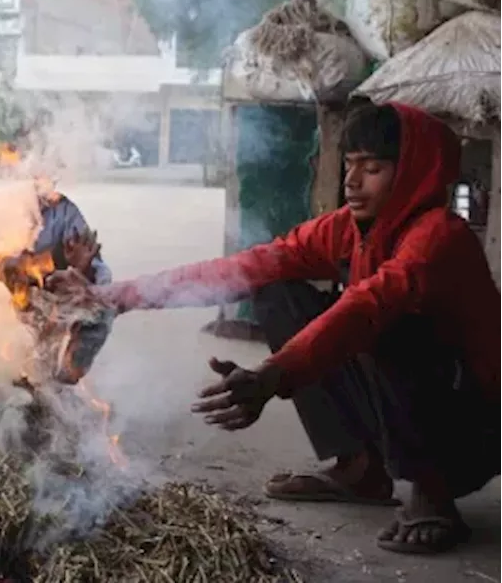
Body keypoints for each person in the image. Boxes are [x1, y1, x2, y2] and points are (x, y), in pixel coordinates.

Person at [97, 102, 502, 556]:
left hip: (475, 429)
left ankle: (434, 494)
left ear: (413, 173)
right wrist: (119, 296)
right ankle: (359, 468)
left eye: (372, 168)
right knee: (276, 288)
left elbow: (366, 308)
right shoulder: (349, 229)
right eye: (349, 165)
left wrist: (272, 375)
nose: (351, 182)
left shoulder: (439, 237)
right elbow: (247, 267)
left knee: (383, 323)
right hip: (415, 403)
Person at [0, 175, 114, 382]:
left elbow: (98, 270)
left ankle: (65, 381)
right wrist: (54, 260)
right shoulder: (1, 208)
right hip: (5, 303)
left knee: (98, 307)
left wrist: (82, 271)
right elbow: (1, 268)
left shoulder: (63, 210)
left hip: (51, 295)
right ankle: (26, 379)